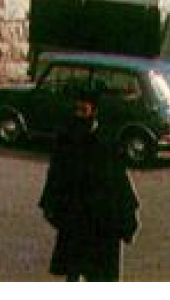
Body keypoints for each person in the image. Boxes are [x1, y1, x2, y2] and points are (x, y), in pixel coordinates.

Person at [39, 89, 140, 281]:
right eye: (76, 110)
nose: (79, 115)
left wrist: (126, 218)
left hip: (103, 224)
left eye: (83, 111)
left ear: (94, 111)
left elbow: (119, 182)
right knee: (74, 269)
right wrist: (52, 205)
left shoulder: (106, 141)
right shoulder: (66, 140)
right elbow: (56, 175)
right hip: (76, 219)